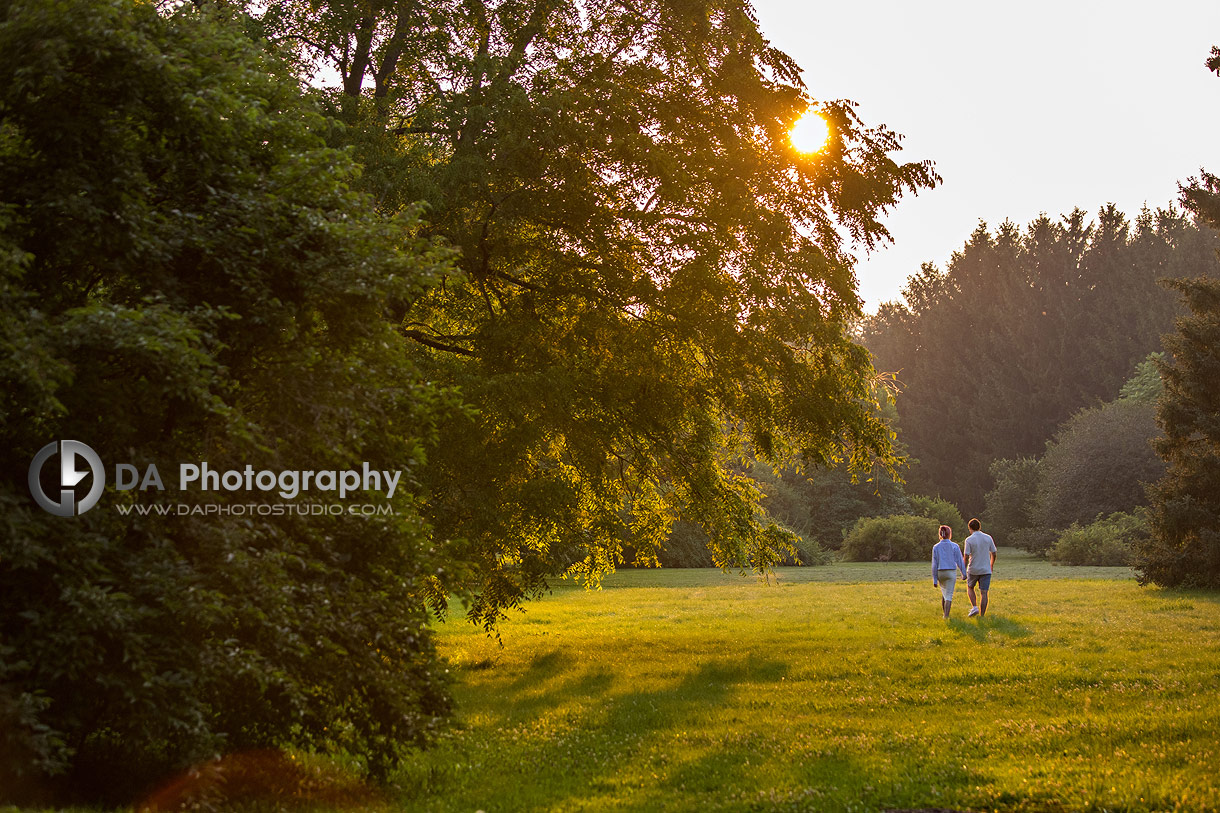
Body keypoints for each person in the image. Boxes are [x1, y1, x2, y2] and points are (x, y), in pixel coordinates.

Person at [963, 518, 997, 618]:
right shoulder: (988, 538)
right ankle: (982, 616)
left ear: (970, 528)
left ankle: (974, 607)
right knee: (984, 593)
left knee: (970, 587)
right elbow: (994, 553)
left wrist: (963, 570)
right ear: (979, 527)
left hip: (973, 569)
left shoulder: (969, 540)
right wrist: (991, 565)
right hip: (986, 569)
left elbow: (966, 556)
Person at [931, 525, 966, 620]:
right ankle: (946, 616)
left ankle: (944, 612)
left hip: (940, 572)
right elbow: (960, 561)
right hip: (950, 572)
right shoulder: (954, 546)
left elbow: (934, 564)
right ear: (949, 534)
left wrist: (934, 579)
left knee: (944, 593)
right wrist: (964, 574)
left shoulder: (936, 547)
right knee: (949, 595)